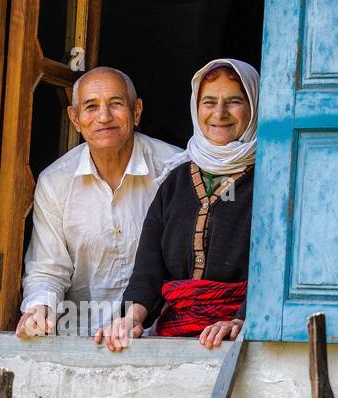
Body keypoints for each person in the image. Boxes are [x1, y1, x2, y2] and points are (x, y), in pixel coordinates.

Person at [96, 58, 258, 351]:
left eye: (233, 101)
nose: (219, 113)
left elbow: (277, 269)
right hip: (173, 333)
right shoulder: (176, 180)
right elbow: (149, 267)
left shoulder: (271, 180)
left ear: (254, 108)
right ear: (196, 109)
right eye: (209, 102)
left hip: (239, 338)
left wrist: (243, 320)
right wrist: (132, 316)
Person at [16, 67, 182, 337]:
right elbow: (48, 268)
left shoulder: (175, 170)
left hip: (159, 334)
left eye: (116, 104)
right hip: (81, 336)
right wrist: (39, 307)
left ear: (136, 111)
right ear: (75, 118)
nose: (104, 117)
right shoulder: (56, 181)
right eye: (91, 107)